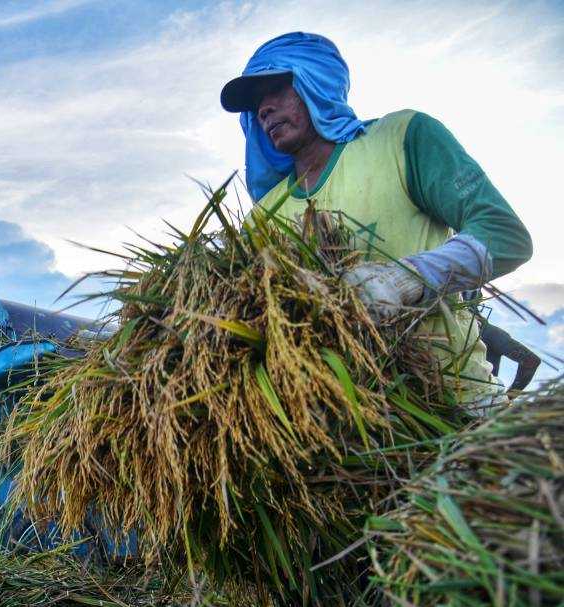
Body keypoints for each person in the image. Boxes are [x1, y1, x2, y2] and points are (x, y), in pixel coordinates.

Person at [220, 32, 534, 409]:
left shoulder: (400, 139)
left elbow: (505, 235)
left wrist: (404, 281)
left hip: (457, 408)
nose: (264, 109)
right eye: (256, 103)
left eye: (276, 88)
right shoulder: (262, 220)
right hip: (339, 436)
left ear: (315, 79)